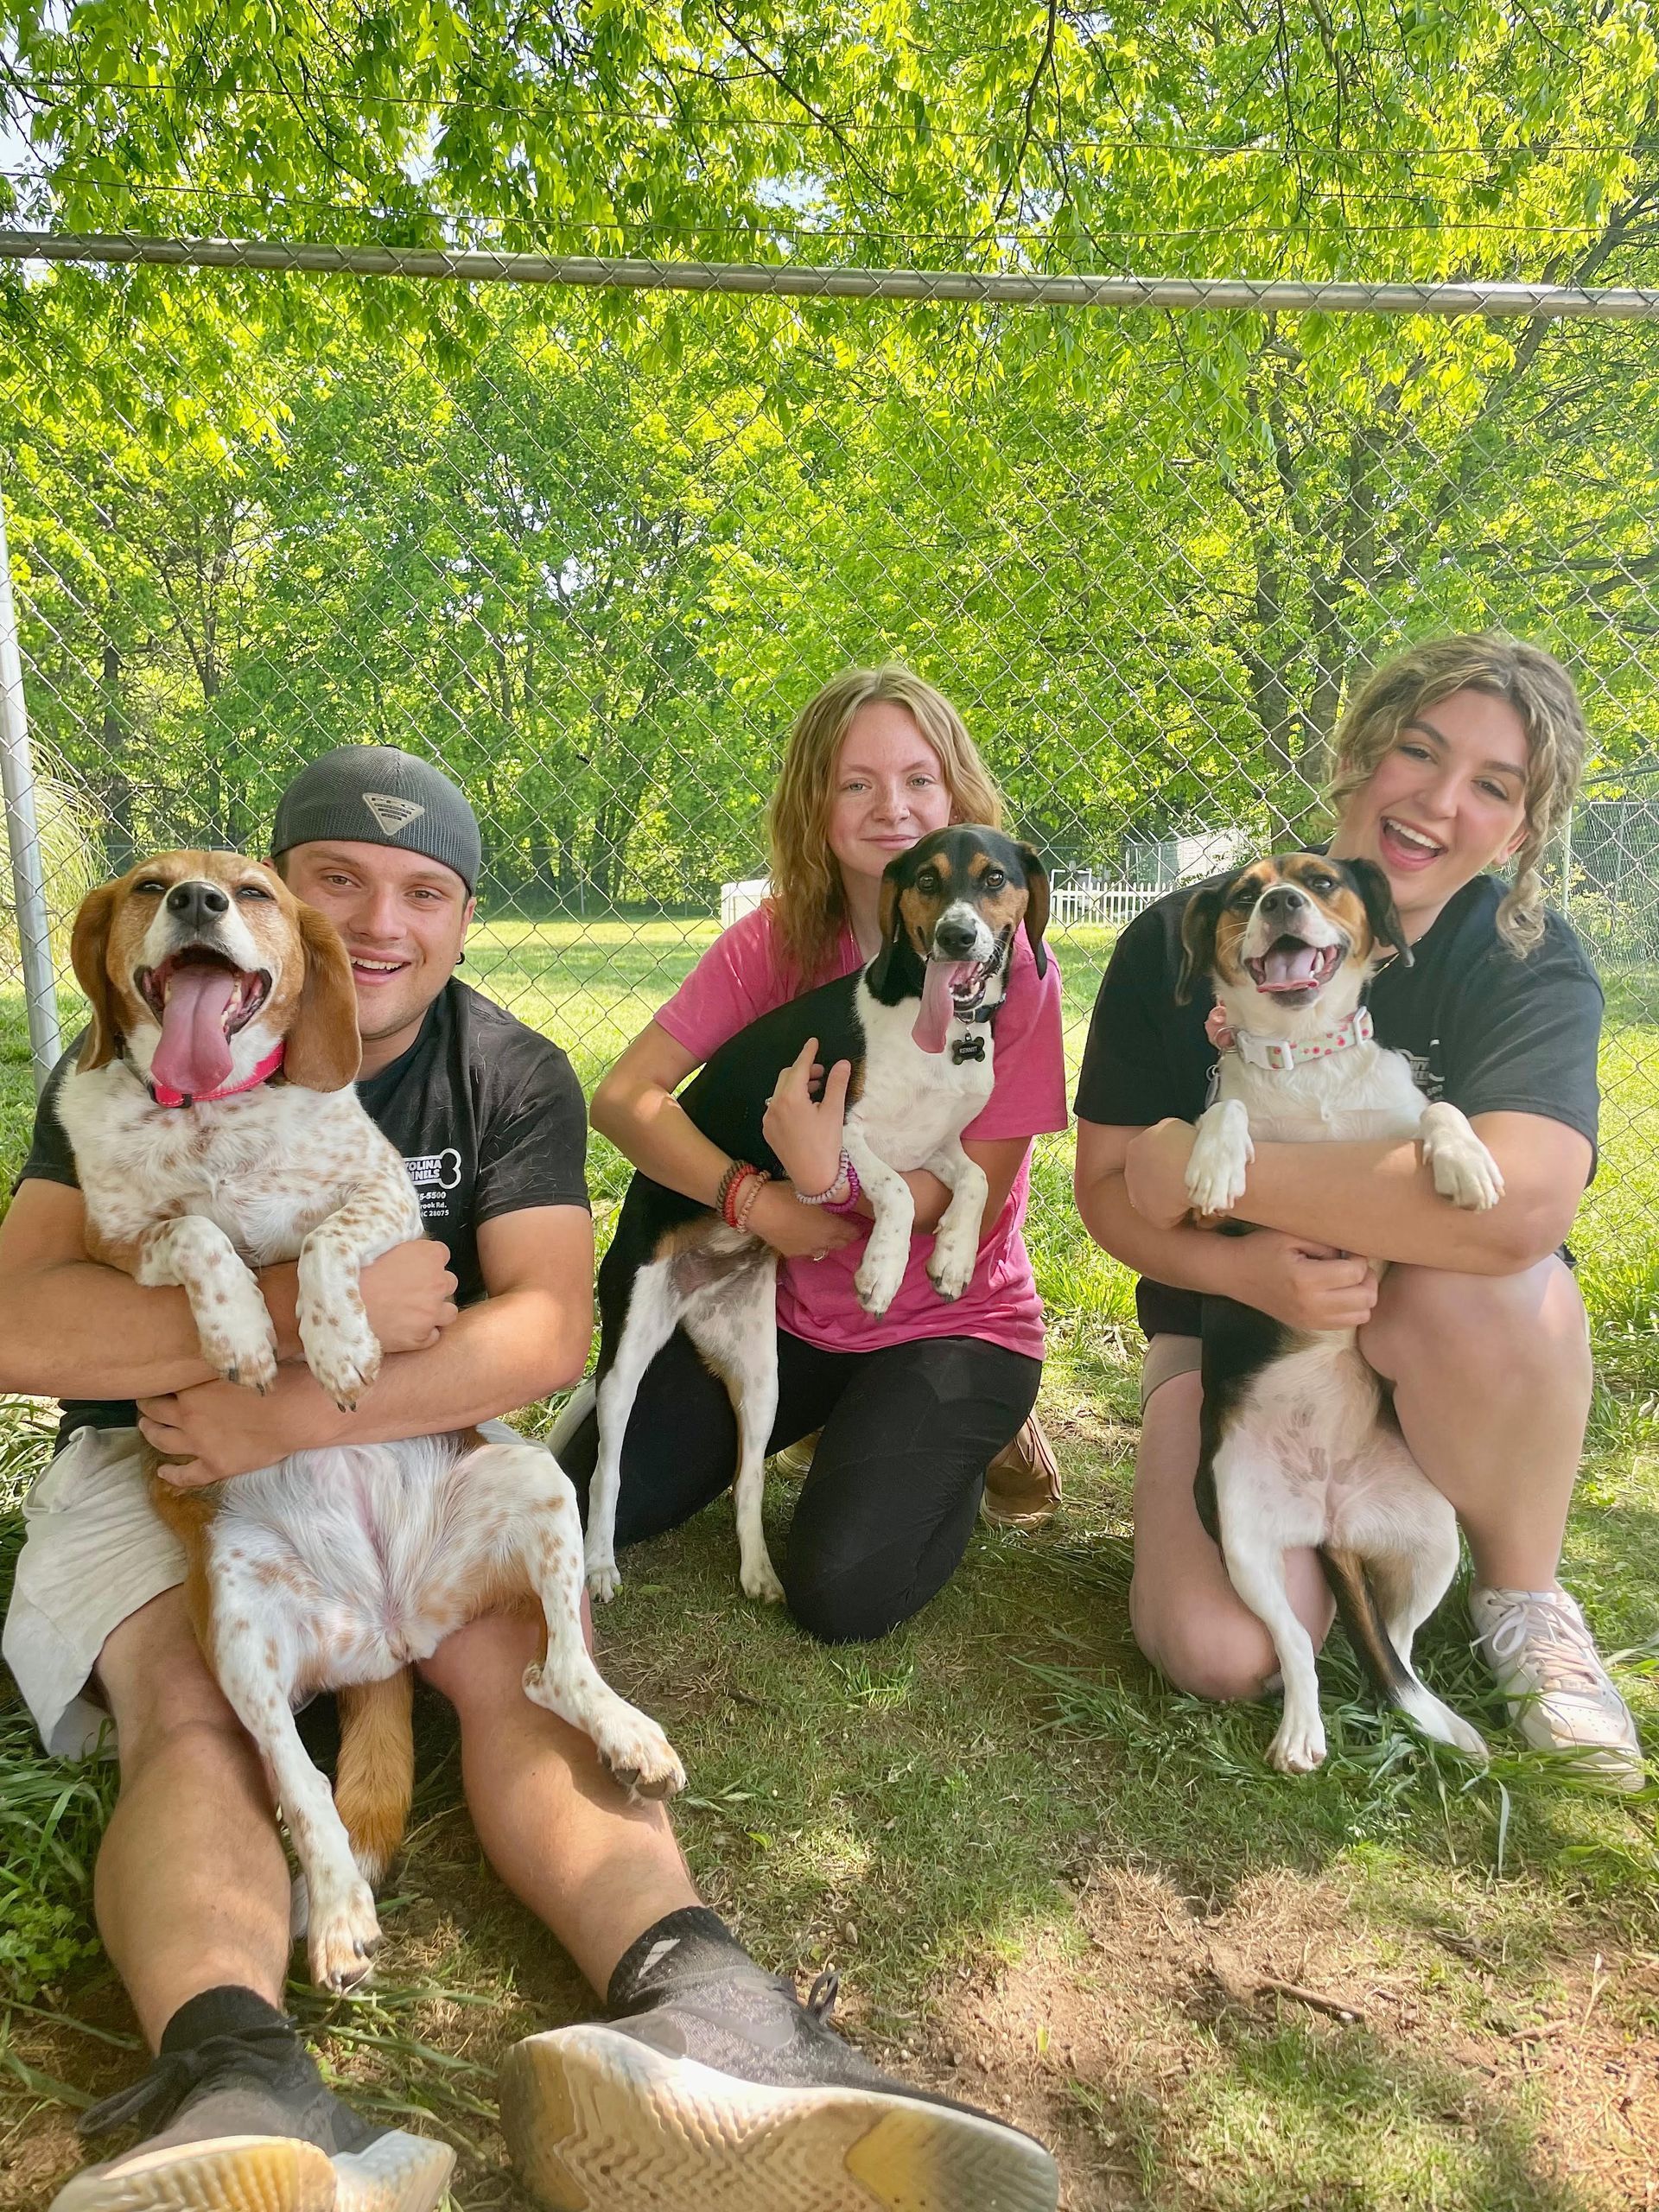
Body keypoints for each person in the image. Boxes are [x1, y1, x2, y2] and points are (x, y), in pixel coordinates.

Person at [1, 745, 1059, 2211]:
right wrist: (289, 1330)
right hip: (165, 1447)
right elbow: (22, 1326)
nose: (380, 922)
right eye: (338, 879)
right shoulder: (133, 1055)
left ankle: (713, 2017)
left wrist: (296, 1416)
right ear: (282, 907)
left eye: (423, 893)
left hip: (402, 1441)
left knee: (524, 1662)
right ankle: (233, 2085)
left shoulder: (502, 1069)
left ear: (459, 918)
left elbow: (547, 1332)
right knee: (188, 1704)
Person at [1073, 632, 1643, 1788]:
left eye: (1493, 787)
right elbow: (1106, 1191)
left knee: (1494, 1289)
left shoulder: (1526, 959)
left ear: (1520, 834)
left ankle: (1523, 1594)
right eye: (1418, 753)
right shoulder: (1187, 933)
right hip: (1235, 1339)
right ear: (1356, 758)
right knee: (1218, 1651)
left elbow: (1520, 1209)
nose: (1440, 800)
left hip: (1436, 1328)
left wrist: (1210, 1168)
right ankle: (1319, 1551)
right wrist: (1238, 1270)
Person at [564, 664, 1069, 1642]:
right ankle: (829, 1424)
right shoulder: (774, 942)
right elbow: (624, 1101)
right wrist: (755, 1203)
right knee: (584, 1498)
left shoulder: (1010, 966)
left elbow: (971, 1191)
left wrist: (826, 1178)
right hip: (787, 1308)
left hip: (946, 1320)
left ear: (957, 795)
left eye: (919, 780)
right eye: (856, 783)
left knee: (842, 1591)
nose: (892, 808)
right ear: (815, 805)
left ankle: (961, 1439)